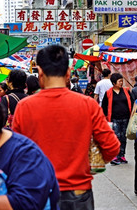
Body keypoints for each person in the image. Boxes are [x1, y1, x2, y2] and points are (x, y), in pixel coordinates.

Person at [13, 45, 120, 210]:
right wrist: (90, 163)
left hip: (37, 192)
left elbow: (16, 154)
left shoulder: (24, 107)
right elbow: (112, 147)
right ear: (69, 73)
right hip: (77, 192)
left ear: (40, 72)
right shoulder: (88, 105)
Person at [101, 73, 133, 165]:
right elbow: (104, 106)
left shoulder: (126, 91)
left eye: (122, 81)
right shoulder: (108, 93)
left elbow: (131, 101)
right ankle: (115, 156)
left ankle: (122, 155)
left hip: (125, 118)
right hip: (114, 118)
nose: (121, 83)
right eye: (119, 81)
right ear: (114, 83)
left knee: (123, 138)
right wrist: (105, 118)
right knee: (116, 137)